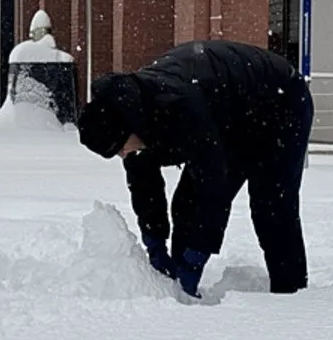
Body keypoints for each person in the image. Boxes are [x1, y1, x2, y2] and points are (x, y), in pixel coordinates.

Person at [76, 39, 315, 299]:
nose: (123, 155)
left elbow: (213, 185)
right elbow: (145, 186)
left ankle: (291, 294)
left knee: (271, 204)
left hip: (279, 100)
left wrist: (198, 254)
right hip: (227, 111)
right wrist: (154, 242)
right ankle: (180, 285)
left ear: (128, 129)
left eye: (120, 147)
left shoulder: (178, 108)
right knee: (187, 204)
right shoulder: (130, 116)